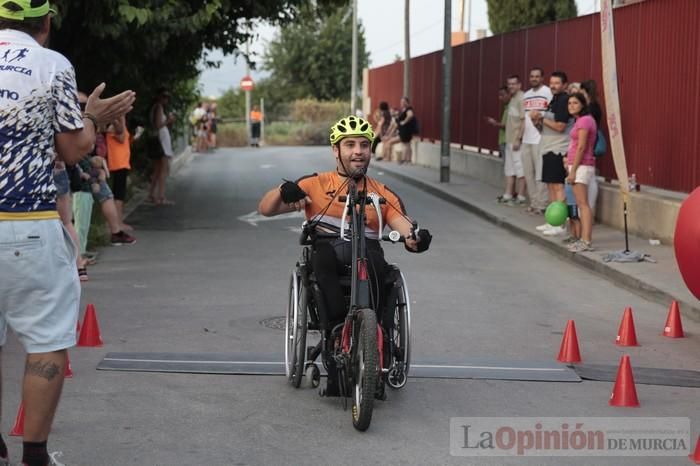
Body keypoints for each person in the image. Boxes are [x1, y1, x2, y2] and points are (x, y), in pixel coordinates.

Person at [0, 3, 135, 464]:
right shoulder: (51, 65)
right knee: (45, 342)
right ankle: (34, 455)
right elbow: (74, 148)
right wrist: (93, 118)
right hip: (27, 226)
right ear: (47, 21)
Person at [257, 115, 432, 396]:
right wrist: (282, 191)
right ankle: (337, 331)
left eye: (364, 145)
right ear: (336, 150)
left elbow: (405, 227)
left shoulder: (382, 193)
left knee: (379, 266)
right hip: (327, 250)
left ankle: (376, 341)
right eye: (349, 144)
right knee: (323, 259)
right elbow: (266, 209)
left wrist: (416, 238)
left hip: (368, 253)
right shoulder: (314, 184)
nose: (358, 151)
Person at [531, 71, 570, 236]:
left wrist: (541, 118)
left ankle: (560, 223)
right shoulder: (553, 100)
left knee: (558, 186)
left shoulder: (563, 101)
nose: (553, 86)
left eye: (557, 83)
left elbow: (561, 126)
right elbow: (545, 128)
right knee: (550, 185)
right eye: (551, 83)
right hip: (547, 147)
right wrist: (536, 122)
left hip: (558, 149)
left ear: (564, 85)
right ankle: (552, 220)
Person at [565, 93, 597, 252]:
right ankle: (584, 240)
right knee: (581, 204)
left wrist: (573, 171)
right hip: (577, 165)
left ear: (583, 105)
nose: (571, 105)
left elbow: (582, 146)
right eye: (569, 103)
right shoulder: (580, 120)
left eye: (575, 103)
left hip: (581, 166)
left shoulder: (585, 120)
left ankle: (586, 241)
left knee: (583, 205)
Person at [521, 67, 552, 215]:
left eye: (537, 76)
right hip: (526, 139)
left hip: (541, 137)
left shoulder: (547, 92)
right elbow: (523, 118)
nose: (534, 79)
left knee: (540, 174)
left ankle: (542, 204)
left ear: (542, 78)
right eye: (532, 76)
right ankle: (533, 202)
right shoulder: (526, 95)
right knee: (528, 173)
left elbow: (551, 114)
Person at [498, 75, 527, 205]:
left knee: (520, 169)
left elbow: (524, 120)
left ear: (519, 85)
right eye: (509, 84)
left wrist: (518, 139)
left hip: (516, 141)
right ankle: (508, 194)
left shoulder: (522, 98)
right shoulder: (513, 99)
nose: (511, 86)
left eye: (513, 84)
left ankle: (521, 196)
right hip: (509, 140)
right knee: (509, 168)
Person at [148, 87, 176, 205]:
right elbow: (159, 124)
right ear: (159, 97)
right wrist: (169, 120)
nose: (166, 99)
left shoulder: (155, 107)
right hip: (161, 141)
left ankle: (152, 194)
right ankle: (161, 197)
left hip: (158, 140)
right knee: (163, 170)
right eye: (164, 96)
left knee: (157, 170)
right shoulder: (159, 107)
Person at [382, 97, 416, 163]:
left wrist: (404, 122)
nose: (402, 103)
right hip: (404, 130)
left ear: (407, 102)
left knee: (405, 144)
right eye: (401, 102)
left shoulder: (408, 109)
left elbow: (410, 115)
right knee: (407, 144)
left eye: (403, 102)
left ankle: (405, 159)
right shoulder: (404, 110)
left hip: (406, 130)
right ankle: (408, 160)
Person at [485, 86, 510, 159]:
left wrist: (494, 123)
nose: (500, 98)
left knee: (507, 166)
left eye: (502, 95)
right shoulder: (506, 107)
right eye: (499, 95)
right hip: (503, 141)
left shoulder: (511, 108)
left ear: (509, 94)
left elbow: (508, 126)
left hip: (507, 141)